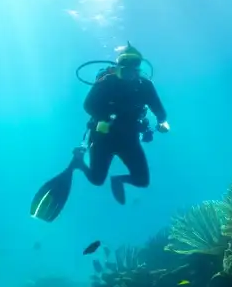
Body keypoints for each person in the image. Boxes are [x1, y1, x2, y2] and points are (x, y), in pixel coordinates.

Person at [30, 44, 169, 222]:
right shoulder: (107, 82)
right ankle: (79, 163)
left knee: (142, 180)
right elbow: (88, 105)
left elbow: (159, 110)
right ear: (118, 68)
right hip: (104, 137)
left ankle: (118, 180)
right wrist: (106, 118)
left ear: (138, 70)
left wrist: (161, 123)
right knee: (97, 180)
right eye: (124, 70)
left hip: (129, 139)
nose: (128, 74)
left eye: (133, 70)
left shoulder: (146, 86)